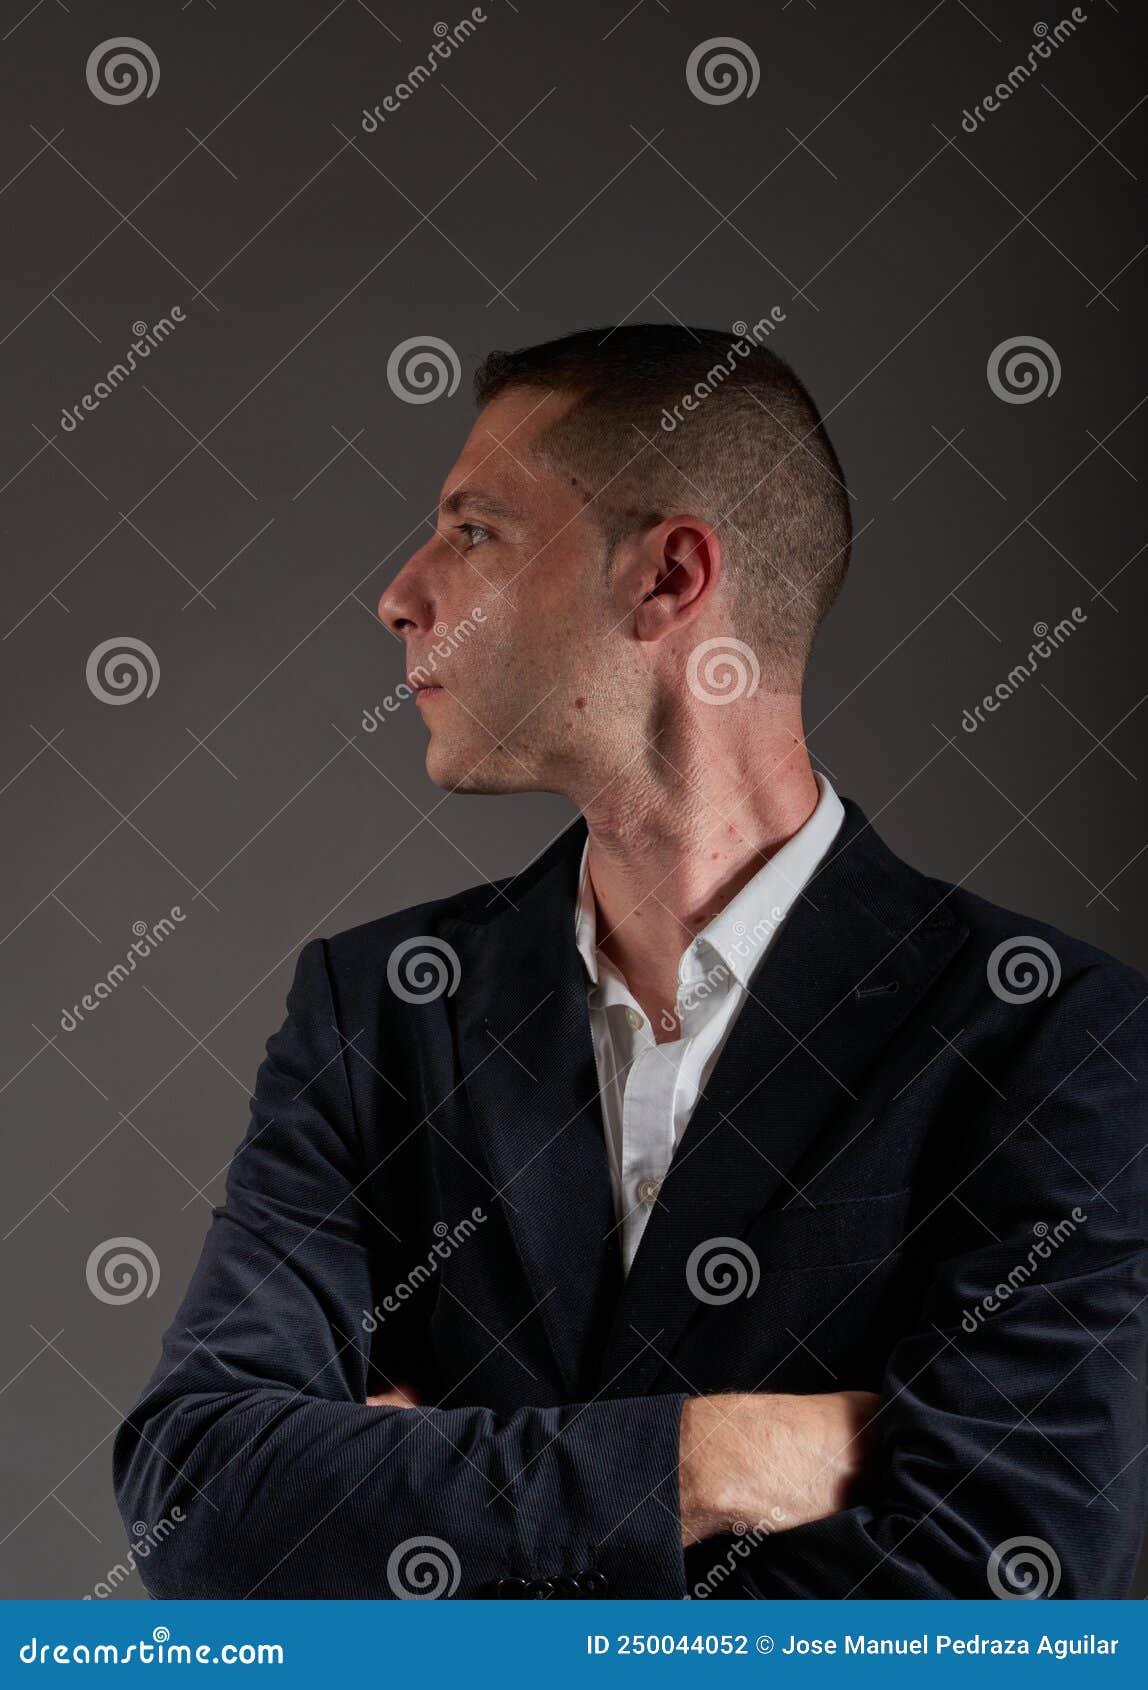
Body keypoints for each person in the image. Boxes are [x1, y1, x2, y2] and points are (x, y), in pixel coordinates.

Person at [114, 325, 1148, 1599]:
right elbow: (199, 1494)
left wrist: (415, 1480)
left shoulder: (1055, 1037)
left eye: (474, 531)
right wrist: (708, 1455)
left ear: (666, 578)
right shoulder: (377, 1012)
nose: (400, 593)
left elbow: (988, 1598)